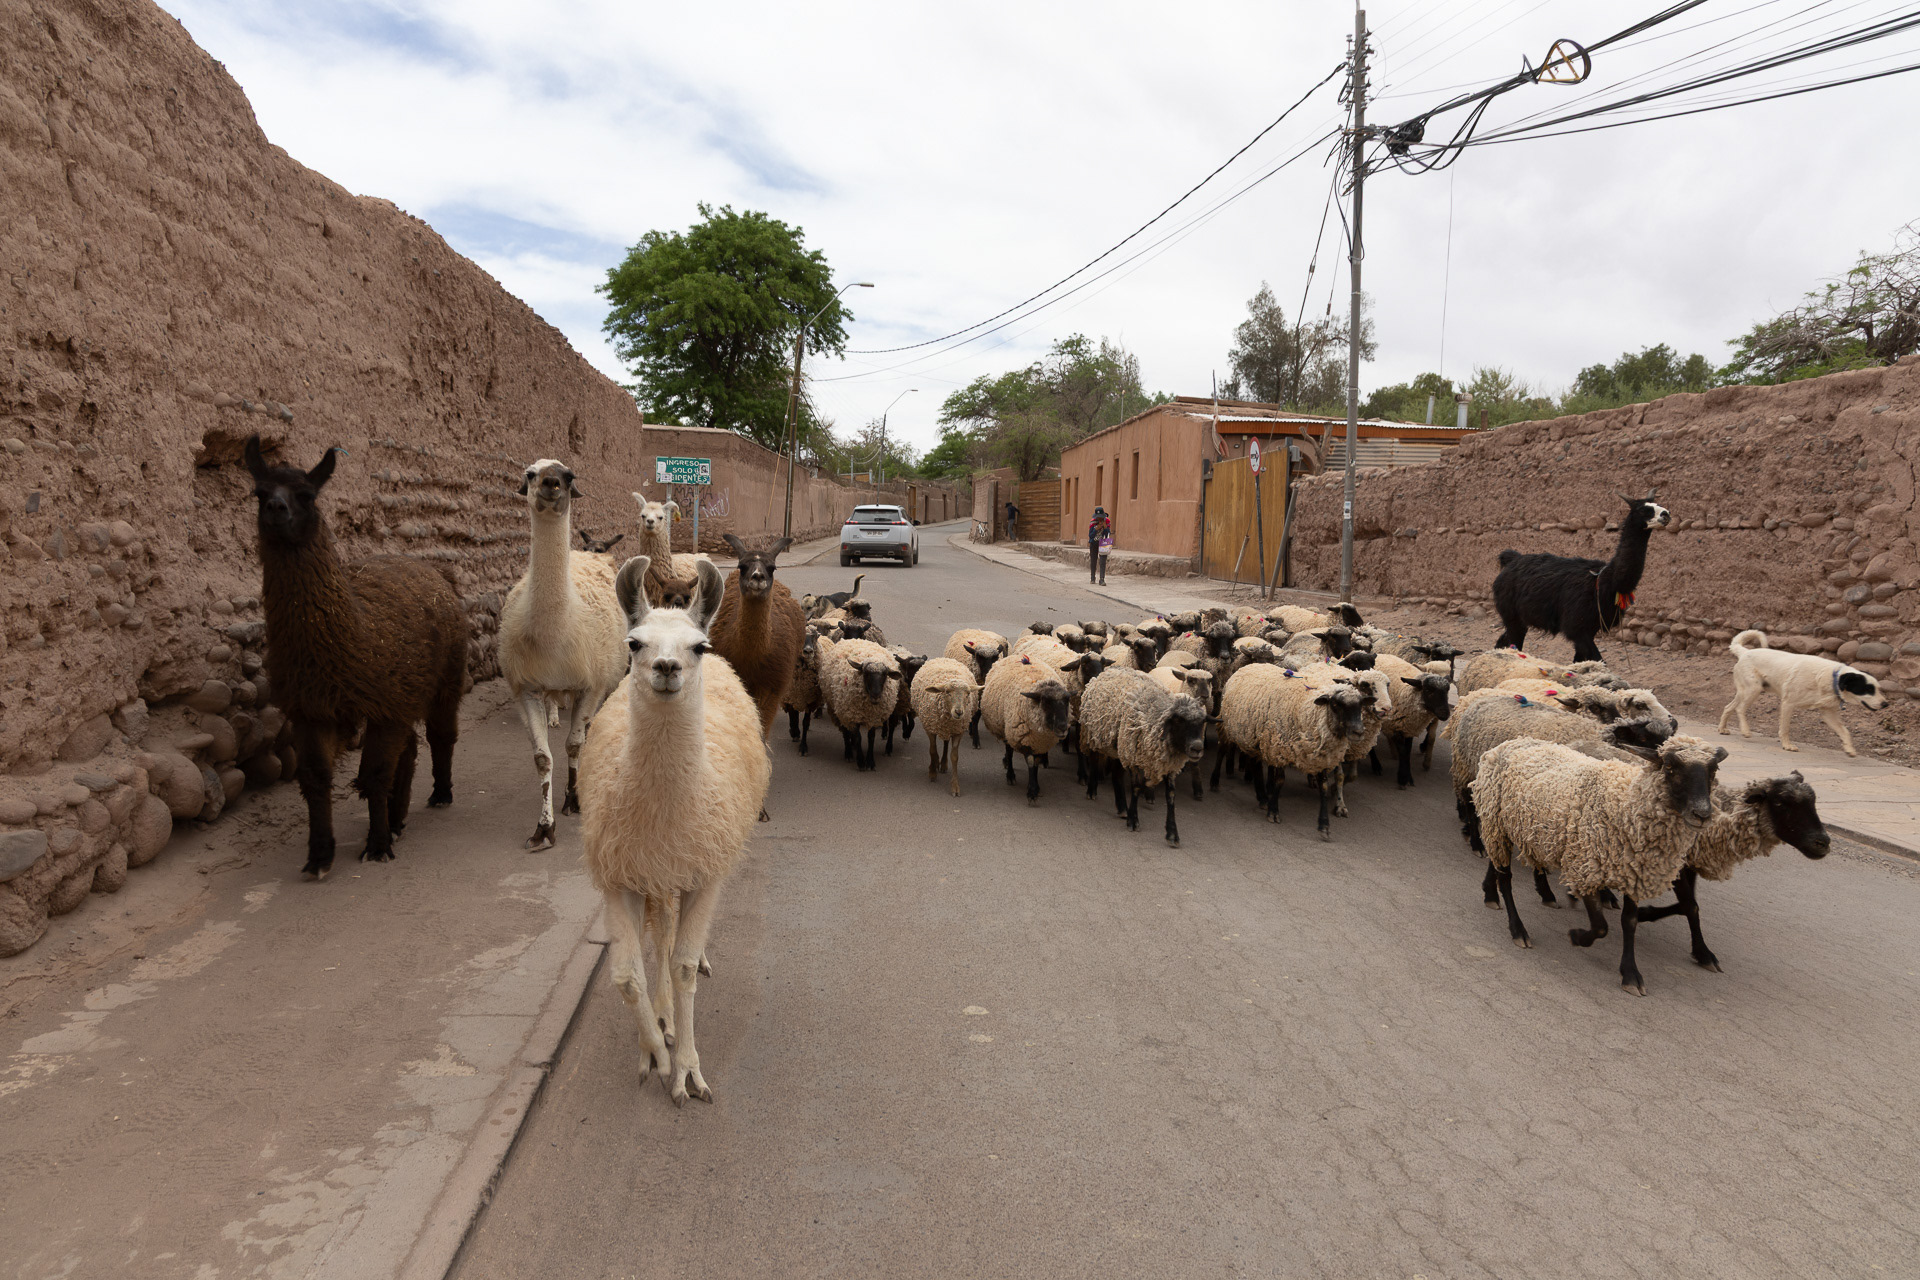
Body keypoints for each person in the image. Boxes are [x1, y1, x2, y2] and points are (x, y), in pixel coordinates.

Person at [1087, 506, 1112, 585]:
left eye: (1101, 517)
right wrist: (1096, 529)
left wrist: (1105, 528)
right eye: (1098, 518)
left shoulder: (1107, 522)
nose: (1100, 519)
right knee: (1093, 561)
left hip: (1103, 544)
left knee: (1102, 562)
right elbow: (1090, 535)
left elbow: (1107, 534)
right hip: (1094, 544)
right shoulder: (1092, 523)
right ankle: (1092, 578)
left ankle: (1102, 579)